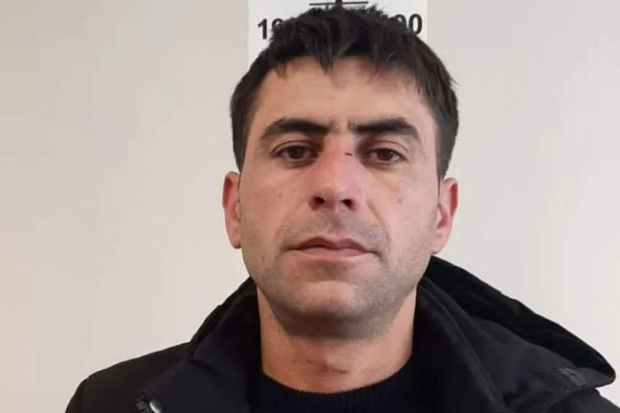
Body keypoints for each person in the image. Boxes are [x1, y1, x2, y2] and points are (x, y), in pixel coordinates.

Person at [66, 6, 618, 413]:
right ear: (234, 207)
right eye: (295, 151)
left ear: (441, 215)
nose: (334, 186)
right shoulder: (108, 406)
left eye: (385, 154)